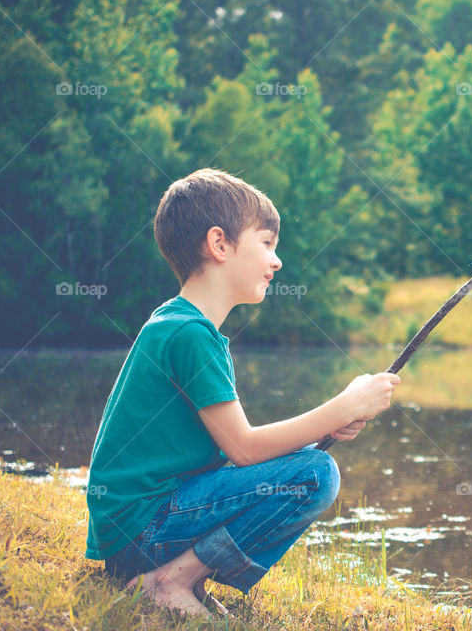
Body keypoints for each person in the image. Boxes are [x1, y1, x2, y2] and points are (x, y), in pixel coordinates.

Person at [84, 168, 400, 616]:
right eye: (267, 243)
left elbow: (232, 454)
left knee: (308, 463)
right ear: (219, 244)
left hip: (135, 534)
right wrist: (342, 406)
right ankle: (171, 579)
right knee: (317, 475)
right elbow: (245, 450)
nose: (278, 261)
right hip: (142, 536)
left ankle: (178, 574)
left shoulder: (181, 324)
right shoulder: (189, 335)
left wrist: (321, 431)